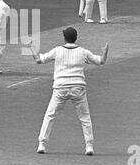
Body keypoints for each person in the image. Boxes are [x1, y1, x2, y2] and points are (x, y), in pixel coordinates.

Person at [31, 27, 109, 155]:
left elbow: (39, 60)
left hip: (60, 87)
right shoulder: (83, 52)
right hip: (78, 87)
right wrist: (105, 52)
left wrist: (32, 48)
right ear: (76, 38)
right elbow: (101, 61)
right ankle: (89, 146)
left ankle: (42, 144)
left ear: (64, 38)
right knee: (85, 118)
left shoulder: (57, 50)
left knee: (50, 115)